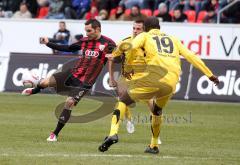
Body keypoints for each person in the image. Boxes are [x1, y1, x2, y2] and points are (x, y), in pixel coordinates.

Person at [99, 16, 219, 154]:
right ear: (159, 27)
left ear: (145, 28)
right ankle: (154, 145)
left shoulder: (144, 36)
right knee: (157, 110)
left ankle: (113, 133)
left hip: (154, 77)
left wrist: (115, 53)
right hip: (172, 83)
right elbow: (191, 56)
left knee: (124, 100)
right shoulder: (173, 39)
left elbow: (130, 46)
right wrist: (209, 74)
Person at [22, 19, 116, 142]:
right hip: (72, 73)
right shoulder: (84, 41)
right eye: (85, 31)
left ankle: (54, 134)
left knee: (69, 103)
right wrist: (48, 43)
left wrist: (112, 78)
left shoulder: (109, 44)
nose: (86, 33)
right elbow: (67, 48)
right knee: (44, 83)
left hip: (85, 82)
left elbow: (114, 60)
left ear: (98, 29)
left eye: (89, 31)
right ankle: (35, 90)